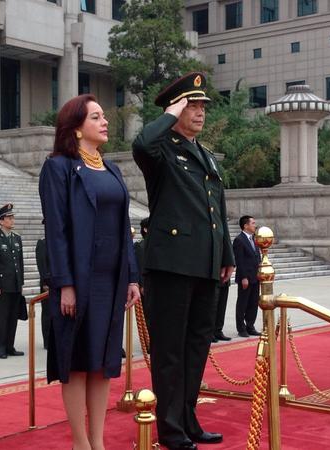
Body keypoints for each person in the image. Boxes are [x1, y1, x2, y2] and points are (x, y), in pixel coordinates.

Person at [132, 72, 234, 450]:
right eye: (192, 105)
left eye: (202, 106)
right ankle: (171, 429)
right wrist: (170, 113)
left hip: (205, 265)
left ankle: (189, 420)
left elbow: (217, 211)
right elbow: (141, 143)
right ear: (174, 107)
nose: (200, 112)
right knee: (170, 351)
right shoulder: (161, 151)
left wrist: (225, 253)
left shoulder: (204, 153)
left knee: (196, 347)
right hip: (171, 265)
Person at [39, 93, 140, 450]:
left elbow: (123, 225)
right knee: (79, 361)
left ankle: (98, 441)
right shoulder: (59, 167)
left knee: (103, 361)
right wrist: (64, 284)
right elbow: (57, 230)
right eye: (96, 117)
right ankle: (80, 442)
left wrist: (132, 277)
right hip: (79, 281)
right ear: (77, 128)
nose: (105, 122)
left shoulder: (110, 168)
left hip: (111, 281)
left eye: (103, 116)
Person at [0, 203, 25, 359]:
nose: (12, 220)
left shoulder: (17, 238)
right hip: (2, 286)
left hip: (15, 285)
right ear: (1, 221)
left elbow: (20, 263)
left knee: (13, 317)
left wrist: (20, 282)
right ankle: (0, 347)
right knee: (2, 318)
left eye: (12, 217)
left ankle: (10, 346)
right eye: (9, 217)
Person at [233, 215, 262, 338]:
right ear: (245, 225)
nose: (255, 225)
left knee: (253, 303)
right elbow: (239, 261)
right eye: (253, 223)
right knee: (243, 303)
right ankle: (241, 328)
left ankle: (250, 326)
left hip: (255, 277)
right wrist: (244, 277)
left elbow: (257, 257)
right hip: (246, 278)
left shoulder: (254, 239)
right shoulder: (239, 240)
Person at [35, 224, 50, 349]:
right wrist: (45, 282)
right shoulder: (42, 243)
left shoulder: (57, 241)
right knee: (47, 313)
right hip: (47, 284)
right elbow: (42, 264)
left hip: (58, 283)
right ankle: (47, 340)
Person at [133, 217, 150, 330]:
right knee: (147, 316)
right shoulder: (140, 246)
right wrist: (142, 285)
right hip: (147, 287)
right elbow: (140, 265)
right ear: (145, 229)